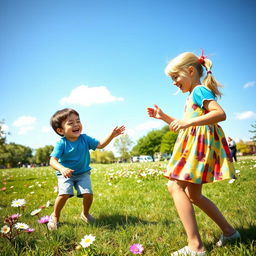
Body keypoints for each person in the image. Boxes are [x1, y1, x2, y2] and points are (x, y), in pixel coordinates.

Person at [147, 51, 240, 256]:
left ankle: (195, 247)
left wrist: (188, 122)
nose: (173, 83)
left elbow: (220, 114)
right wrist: (163, 117)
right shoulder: (193, 95)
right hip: (195, 145)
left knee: (174, 185)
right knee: (194, 195)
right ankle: (229, 232)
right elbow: (184, 124)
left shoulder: (199, 90)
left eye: (175, 77)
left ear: (190, 71)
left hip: (198, 147)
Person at [48, 108, 125, 230]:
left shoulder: (85, 139)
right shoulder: (61, 144)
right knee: (64, 194)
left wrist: (112, 135)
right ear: (60, 130)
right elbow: (52, 161)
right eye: (70, 123)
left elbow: (100, 145)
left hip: (82, 173)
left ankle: (85, 214)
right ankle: (55, 216)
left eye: (78, 121)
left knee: (88, 194)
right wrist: (62, 169)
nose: (76, 124)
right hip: (65, 174)